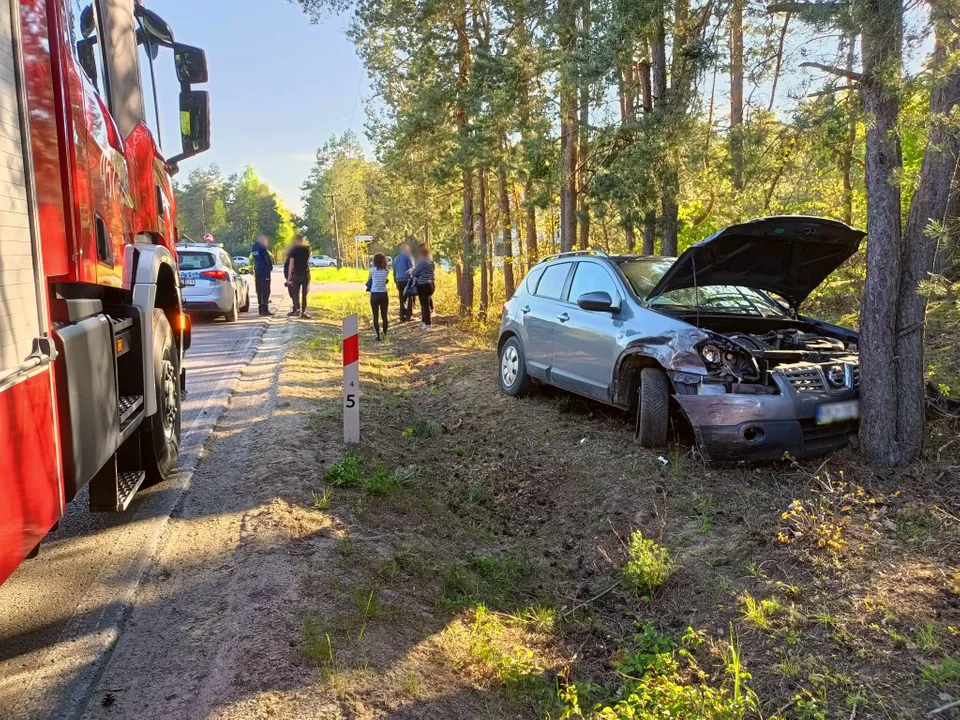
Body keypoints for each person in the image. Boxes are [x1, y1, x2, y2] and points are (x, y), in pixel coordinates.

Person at [284, 234, 312, 318]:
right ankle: (304, 311)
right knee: (304, 294)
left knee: (296, 293)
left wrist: (289, 277)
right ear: (302, 240)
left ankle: (297, 310)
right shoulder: (307, 249)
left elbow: (291, 264)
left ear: (296, 240)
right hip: (305, 273)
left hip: (296, 274)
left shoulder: (293, 250)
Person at [409, 242, 436, 328]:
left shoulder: (422, 262)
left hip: (423, 285)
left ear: (421, 254)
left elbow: (415, 273)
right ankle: (424, 320)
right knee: (426, 303)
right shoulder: (431, 261)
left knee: (424, 304)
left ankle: (427, 323)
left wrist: (411, 271)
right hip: (431, 283)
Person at [367, 253, 390, 341]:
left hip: (374, 294)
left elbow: (369, 280)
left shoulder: (372, 270)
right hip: (383, 294)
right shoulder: (386, 271)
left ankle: (377, 336)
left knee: (375, 315)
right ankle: (384, 335)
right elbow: (384, 280)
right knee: (384, 316)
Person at [251, 235, 274, 316]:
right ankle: (265, 309)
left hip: (257, 271)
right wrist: (270, 267)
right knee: (265, 290)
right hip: (264, 271)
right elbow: (267, 258)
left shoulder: (254, 247)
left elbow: (254, 259)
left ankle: (260, 309)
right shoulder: (262, 248)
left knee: (259, 290)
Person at [392, 243, 414, 321]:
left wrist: (395, 280)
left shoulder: (396, 258)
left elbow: (394, 271)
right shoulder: (408, 257)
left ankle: (402, 315)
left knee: (402, 298)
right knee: (409, 297)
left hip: (399, 280)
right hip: (406, 280)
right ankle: (409, 315)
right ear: (405, 249)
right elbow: (412, 269)